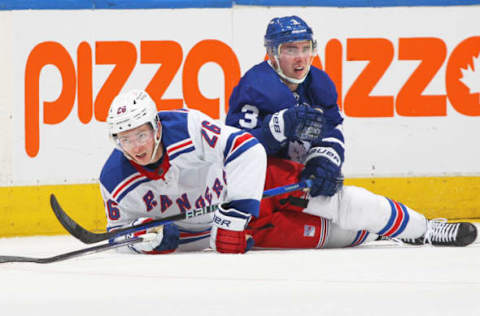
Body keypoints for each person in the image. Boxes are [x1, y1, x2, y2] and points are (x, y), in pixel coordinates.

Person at [226, 15, 477, 248]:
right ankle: (384, 231)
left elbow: (332, 132)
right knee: (330, 234)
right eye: (290, 49)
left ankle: (425, 229)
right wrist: (275, 130)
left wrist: (323, 163)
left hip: (297, 181)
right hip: (263, 186)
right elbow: (235, 151)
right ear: (272, 53)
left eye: (305, 48)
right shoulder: (255, 87)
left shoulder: (319, 85)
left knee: (352, 205)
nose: (300, 58)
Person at [99, 89, 267, 254]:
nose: (136, 147)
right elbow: (117, 235)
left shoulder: (188, 128)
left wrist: (234, 219)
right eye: (125, 140)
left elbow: (248, 148)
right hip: (183, 245)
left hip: (240, 220)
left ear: (156, 127)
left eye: (141, 135)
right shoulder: (112, 179)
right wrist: (141, 238)